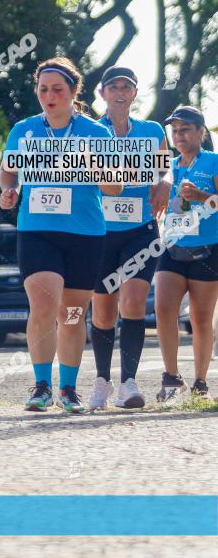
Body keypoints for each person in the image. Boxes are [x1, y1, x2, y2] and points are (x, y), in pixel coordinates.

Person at [0, 57, 120, 414]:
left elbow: (114, 187)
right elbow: (8, 173)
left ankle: (68, 389)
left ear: (73, 93)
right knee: (43, 304)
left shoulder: (97, 133)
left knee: (71, 313)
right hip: (37, 229)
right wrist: (9, 191)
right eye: (43, 89)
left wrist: (92, 165)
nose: (49, 96)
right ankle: (41, 386)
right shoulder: (24, 130)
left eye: (57, 89)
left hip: (84, 233)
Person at [88, 66, 171, 410]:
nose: (120, 93)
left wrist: (165, 180)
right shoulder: (89, 132)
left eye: (127, 87)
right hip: (99, 231)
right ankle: (102, 381)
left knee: (133, 302)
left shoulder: (151, 131)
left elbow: (163, 165)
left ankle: (129, 383)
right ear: (103, 93)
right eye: (114, 87)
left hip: (141, 229)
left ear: (134, 94)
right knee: (104, 312)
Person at [155, 106, 218, 403]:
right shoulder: (168, 167)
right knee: (164, 309)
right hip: (172, 247)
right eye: (175, 131)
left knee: (201, 318)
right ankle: (171, 377)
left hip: (208, 249)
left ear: (200, 132)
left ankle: (201, 382)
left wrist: (203, 198)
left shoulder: (214, 162)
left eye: (185, 130)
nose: (179, 136)